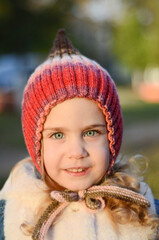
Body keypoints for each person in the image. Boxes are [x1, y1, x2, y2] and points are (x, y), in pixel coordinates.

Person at [0, 29, 158, 240]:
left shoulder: (142, 210)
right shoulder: (12, 214)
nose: (76, 152)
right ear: (36, 144)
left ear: (113, 139)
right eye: (57, 135)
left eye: (91, 132)